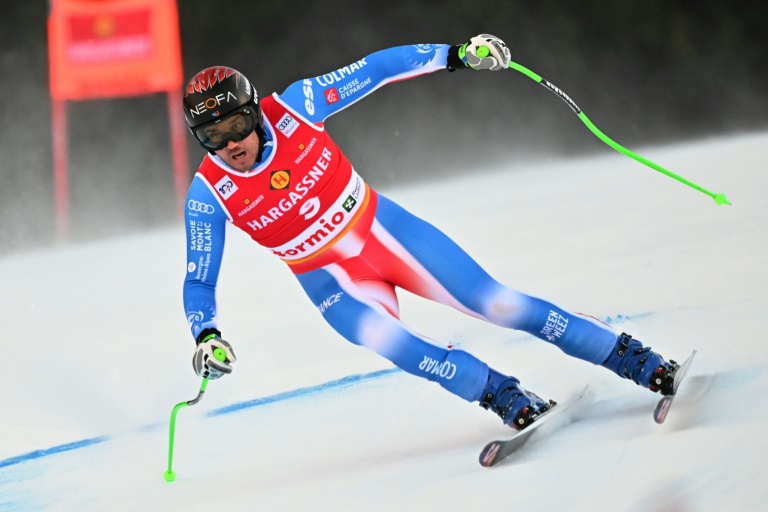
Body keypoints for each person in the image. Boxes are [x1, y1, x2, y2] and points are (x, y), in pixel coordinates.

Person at [181, 34, 680, 430]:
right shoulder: (208, 193)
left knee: (498, 304)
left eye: (236, 127)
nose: (229, 145)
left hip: (384, 232)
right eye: (212, 137)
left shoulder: (294, 107)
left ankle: (633, 359)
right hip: (330, 279)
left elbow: (375, 69)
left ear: (253, 112)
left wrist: (458, 55)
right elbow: (199, 280)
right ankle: (501, 395)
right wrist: (206, 334)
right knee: (389, 341)